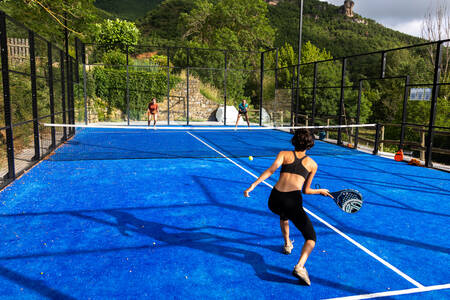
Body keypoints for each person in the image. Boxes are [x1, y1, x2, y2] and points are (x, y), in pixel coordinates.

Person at [244, 129, 332, 285]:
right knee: (311, 238)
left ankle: (287, 244)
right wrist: (321, 191)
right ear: (310, 145)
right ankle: (299, 266)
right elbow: (306, 190)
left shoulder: (284, 154)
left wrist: (253, 186)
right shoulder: (312, 164)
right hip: (292, 201)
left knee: (284, 213)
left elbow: (271, 171)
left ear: (294, 141)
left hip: (274, 200)